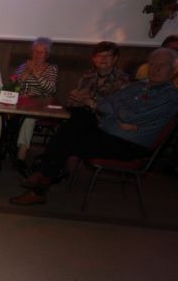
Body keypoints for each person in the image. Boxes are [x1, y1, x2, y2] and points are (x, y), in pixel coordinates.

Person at [10, 48, 178, 206]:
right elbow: (104, 104)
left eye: (162, 65)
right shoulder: (137, 86)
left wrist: (118, 110)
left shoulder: (170, 96)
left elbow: (127, 115)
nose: (156, 69)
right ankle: (43, 178)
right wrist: (119, 115)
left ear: (174, 69)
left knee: (67, 138)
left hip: (130, 145)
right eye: (153, 64)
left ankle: (41, 180)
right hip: (110, 132)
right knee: (78, 119)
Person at [12, 37, 59, 170]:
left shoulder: (52, 69)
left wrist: (37, 75)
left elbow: (51, 89)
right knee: (0, 115)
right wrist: (26, 72)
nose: (37, 55)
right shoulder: (23, 67)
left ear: (47, 54)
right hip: (21, 102)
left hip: (40, 104)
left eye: (41, 52)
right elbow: (14, 87)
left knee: (29, 118)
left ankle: (22, 153)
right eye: (35, 51)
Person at [66, 41, 129, 117]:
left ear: (115, 58)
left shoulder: (122, 79)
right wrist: (76, 98)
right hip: (82, 116)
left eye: (108, 55)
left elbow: (121, 111)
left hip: (106, 120)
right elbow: (70, 103)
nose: (103, 59)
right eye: (99, 55)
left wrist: (90, 102)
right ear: (94, 59)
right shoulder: (87, 76)